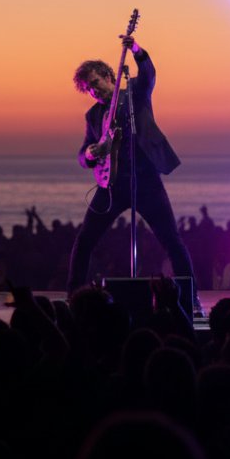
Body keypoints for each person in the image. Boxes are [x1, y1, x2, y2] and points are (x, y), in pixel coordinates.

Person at [67, 34, 198, 311]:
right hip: (110, 186)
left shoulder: (134, 93)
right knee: (84, 241)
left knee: (172, 241)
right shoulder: (93, 116)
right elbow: (82, 155)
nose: (93, 91)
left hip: (146, 181)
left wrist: (136, 49)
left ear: (107, 75)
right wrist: (91, 153)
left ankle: (189, 300)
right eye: (87, 89)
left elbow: (149, 73)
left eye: (95, 83)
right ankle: (74, 299)